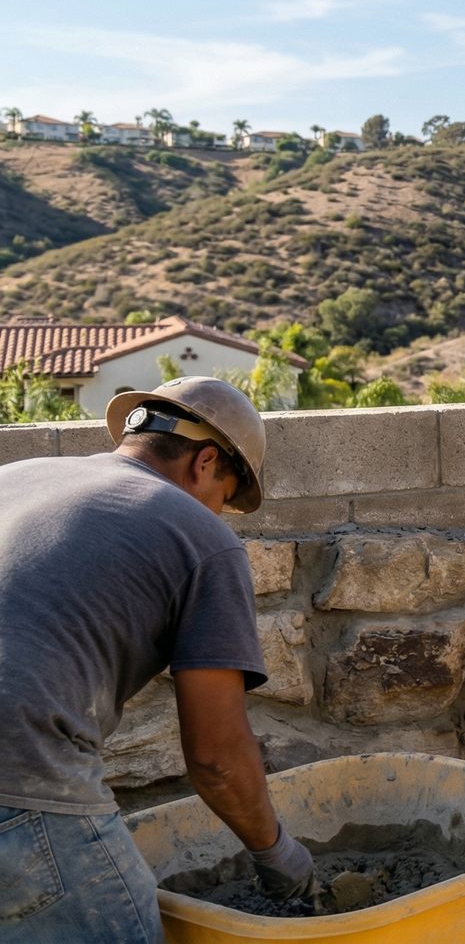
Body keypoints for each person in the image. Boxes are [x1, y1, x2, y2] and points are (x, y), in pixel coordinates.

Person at [0, 376, 317, 942]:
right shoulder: (200, 537)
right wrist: (278, 853)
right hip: (20, 786)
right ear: (206, 461)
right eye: (225, 499)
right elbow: (217, 758)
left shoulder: (16, 476)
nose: (218, 516)